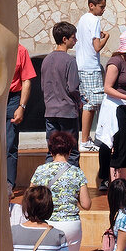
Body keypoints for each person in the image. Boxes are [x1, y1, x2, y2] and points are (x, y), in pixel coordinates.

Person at [29, 130, 90, 251]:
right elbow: (86, 204)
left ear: (51, 150)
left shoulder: (41, 171)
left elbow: (30, 197)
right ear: (70, 150)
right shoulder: (77, 173)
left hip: (47, 226)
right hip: (71, 225)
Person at [95, 29, 126, 187]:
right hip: (115, 109)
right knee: (117, 146)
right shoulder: (115, 61)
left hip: (125, 107)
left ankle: (122, 183)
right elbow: (107, 88)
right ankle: (113, 182)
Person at [41, 22, 82, 166]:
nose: (75, 40)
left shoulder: (46, 60)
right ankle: (72, 184)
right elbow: (73, 88)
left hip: (50, 111)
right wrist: (79, 101)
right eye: (73, 37)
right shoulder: (70, 61)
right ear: (65, 39)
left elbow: (43, 86)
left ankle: (47, 183)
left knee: (52, 150)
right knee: (71, 151)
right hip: (67, 111)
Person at [76, 0, 110, 151]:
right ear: (92, 5)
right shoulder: (94, 20)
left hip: (82, 66)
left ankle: (86, 138)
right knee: (92, 104)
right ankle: (85, 140)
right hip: (91, 67)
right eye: (101, 7)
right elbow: (97, 47)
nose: (103, 10)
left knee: (88, 103)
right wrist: (106, 38)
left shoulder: (82, 19)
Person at [7, 43, 37, 189]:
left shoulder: (20, 50)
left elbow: (26, 80)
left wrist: (21, 107)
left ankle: (8, 185)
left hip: (12, 98)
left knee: (10, 143)